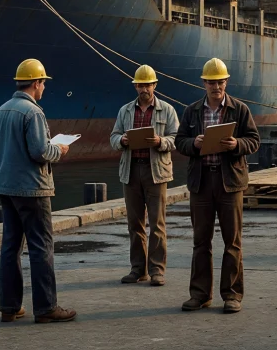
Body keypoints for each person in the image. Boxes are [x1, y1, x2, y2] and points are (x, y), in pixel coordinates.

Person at [0, 59, 76, 324]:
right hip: (33, 190)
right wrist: (59, 150)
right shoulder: (33, 113)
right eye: (43, 83)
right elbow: (40, 152)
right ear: (37, 83)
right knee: (41, 248)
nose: (44, 89)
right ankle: (46, 308)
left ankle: (9, 307)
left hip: (6, 188)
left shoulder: (1, 111)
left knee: (10, 247)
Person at [175, 58, 261, 313]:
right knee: (201, 241)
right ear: (204, 83)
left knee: (232, 241)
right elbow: (180, 141)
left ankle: (232, 295)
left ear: (226, 82)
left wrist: (237, 146)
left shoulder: (240, 110)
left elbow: (254, 140)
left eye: (220, 82)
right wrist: (194, 144)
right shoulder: (192, 111)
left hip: (230, 183)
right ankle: (200, 295)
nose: (216, 87)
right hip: (201, 182)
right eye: (211, 82)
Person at [109, 64, 180, 286]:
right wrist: (122, 141)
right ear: (135, 86)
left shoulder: (167, 110)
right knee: (135, 224)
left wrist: (160, 142)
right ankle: (138, 269)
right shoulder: (125, 111)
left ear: (155, 85)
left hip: (155, 171)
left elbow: (177, 138)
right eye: (140, 85)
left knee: (157, 223)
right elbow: (113, 137)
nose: (143, 89)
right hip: (131, 170)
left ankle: (157, 270)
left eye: (147, 84)